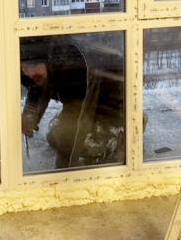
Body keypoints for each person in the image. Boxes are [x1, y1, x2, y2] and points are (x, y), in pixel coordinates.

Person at [20, 36, 125, 169]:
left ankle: (128, 127)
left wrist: (63, 172)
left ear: (44, 61)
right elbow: (38, 87)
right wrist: (30, 116)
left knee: (86, 149)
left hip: (111, 106)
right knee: (53, 136)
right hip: (83, 99)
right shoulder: (47, 62)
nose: (27, 73)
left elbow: (76, 117)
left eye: (29, 68)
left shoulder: (70, 68)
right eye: (24, 69)